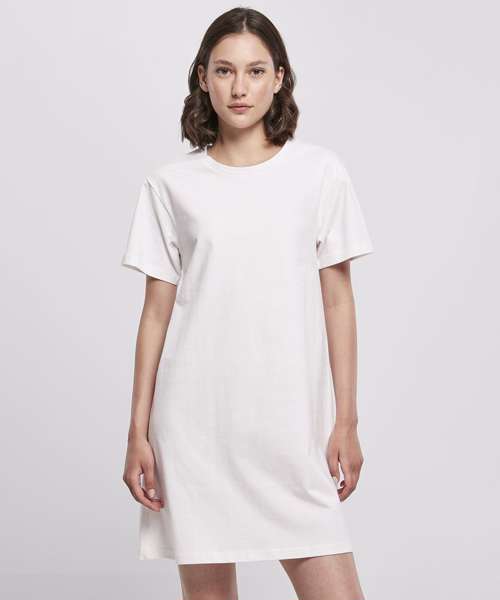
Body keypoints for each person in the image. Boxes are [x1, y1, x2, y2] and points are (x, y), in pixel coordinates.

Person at [121, 7, 373, 600]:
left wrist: (346, 420)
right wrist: (136, 432)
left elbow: (338, 302)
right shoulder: (171, 186)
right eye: (225, 70)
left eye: (256, 71)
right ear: (203, 78)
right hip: (195, 431)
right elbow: (155, 314)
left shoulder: (319, 173)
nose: (240, 87)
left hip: (289, 428)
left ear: (279, 78)